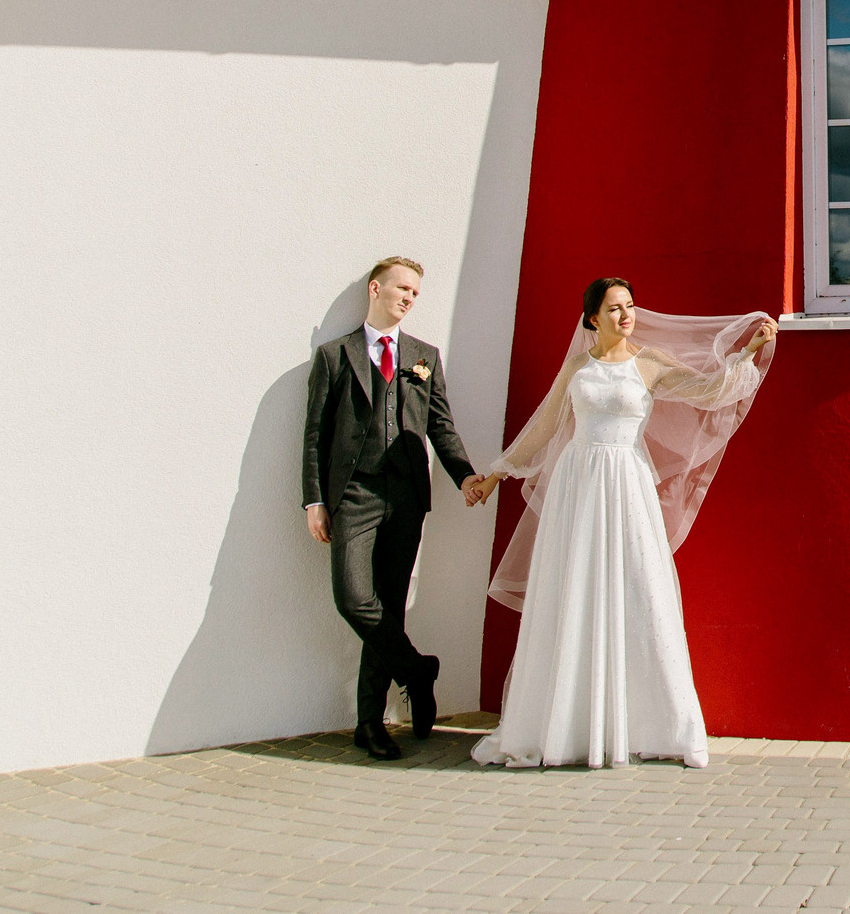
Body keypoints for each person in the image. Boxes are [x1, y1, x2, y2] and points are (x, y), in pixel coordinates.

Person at [474, 277, 778, 769]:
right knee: (574, 591)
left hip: (627, 482)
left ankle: (664, 727)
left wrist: (748, 352)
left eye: (631, 306)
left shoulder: (650, 363)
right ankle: (564, 727)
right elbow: (545, 426)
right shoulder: (578, 367)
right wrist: (495, 474)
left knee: (641, 590)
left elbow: (707, 391)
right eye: (614, 308)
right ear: (592, 318)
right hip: (578, 485)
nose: (626, 315)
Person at [302, 256, 494, 760]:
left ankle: (370, 723)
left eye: (415, 292)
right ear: (375, 289)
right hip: (354, 496)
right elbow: (315, 436)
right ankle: (416, 670)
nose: (408, 297)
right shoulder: (335, 356)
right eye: (401, 288)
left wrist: (465, 477)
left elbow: (441, 427)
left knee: (387, 605)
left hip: (407, 497)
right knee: (353, 598)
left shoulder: (422, 356)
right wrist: (315, 499)